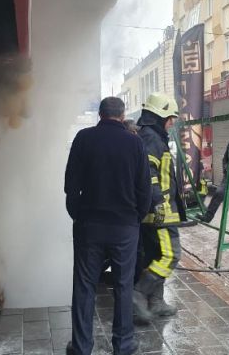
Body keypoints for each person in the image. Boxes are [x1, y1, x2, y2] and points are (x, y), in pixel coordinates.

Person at [64, 97, 150, 355]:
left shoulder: (83, 138)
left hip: (89, 225)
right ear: (122, 116)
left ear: (100, 114)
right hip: (124, 228)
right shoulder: (135, 143)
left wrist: (78, 216)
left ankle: (81, 347)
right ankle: (123, 346)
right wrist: (135, 220)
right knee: (123, 285)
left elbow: (71, 186)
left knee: (84, 286)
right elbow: (144, 190)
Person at [133, 92, 184, 324]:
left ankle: (156, 302)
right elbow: (150, 176)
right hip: (159, 212)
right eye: (169, 117)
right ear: (158, 116)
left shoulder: (150, 136)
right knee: (171, 254)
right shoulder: (151, 139)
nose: (172, 122)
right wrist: (159, 204)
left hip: (155, 211)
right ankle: (139, 293)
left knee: (154, 255)